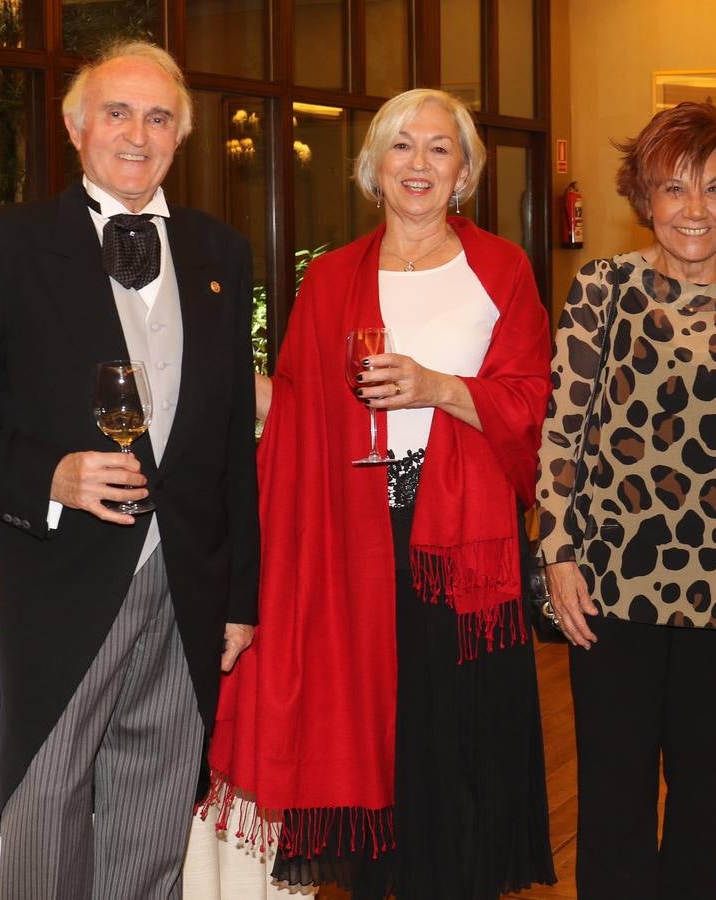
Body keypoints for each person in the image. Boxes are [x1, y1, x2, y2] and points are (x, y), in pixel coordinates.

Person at [0, 41, 260, 899]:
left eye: (159, 116)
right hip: (64, 578)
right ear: (74, 126)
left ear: (181, 136)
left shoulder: (222, 254)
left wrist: (244, 597)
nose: (137, 134)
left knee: (157, 797)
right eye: (117, 112)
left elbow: (227, 446)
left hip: (189, 578)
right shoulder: (5, 244)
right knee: (50, 798)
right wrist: (49, 479)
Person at [205, 88, 556, 899]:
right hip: (350, 531)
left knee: (455, 737)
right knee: (369, 728)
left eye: (440, 148)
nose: (419, 163)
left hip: (462, 544)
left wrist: (434, 385)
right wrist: (218, 378)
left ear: (464, 172)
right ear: (373, 169)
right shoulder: (330, 280)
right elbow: (297, 410)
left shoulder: (499, 269)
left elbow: (536, 404)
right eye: (402, 146)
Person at [535, 101, 716, 900]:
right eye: (675, 189)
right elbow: (561, 433)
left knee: (701, 797)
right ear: (644, 198)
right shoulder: (602, 289)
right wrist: (555, 554)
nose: (694, 211)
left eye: (714, 190)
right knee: (612, 798)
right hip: (610, 583)